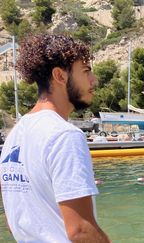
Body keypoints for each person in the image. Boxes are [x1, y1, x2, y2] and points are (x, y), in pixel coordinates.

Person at [0, 34, 110, 242]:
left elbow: (12, 220)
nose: (93, 80)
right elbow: (81, 230)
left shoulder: (15, 135)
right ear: (60, 76)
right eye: (86, 71)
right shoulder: (64, 135)